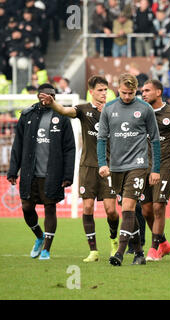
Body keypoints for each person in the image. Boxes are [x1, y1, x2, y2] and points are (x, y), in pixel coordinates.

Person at [39, 76, 120, 262]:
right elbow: (65, 111)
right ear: (91, 91)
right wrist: (53, 104)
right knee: (88, 207)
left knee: (111, 210)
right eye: (100, 90)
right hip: (87, 166)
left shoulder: (114, 110)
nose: (103, 93)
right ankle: (93, 251)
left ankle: (114, 240)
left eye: (105, 89)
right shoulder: (83, 109)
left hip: (108, 167)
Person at [97, 73, 161, 266]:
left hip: (138, 165)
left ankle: (120, 253)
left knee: (128, 207)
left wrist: (155, 168)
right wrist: (102, 163)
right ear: (118, 89)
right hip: (116, 166)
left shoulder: (145, 108)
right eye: (124, 92)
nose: (127, 96)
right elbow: (101, 139)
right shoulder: (108, 108)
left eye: (131, 93)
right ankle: (139, 253)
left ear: (136, 90)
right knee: (128, 211)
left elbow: (155, 140)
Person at [7, 83, 75, 260]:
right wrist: (13, 170)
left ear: (54, 97)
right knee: (26, 207)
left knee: (50, 208)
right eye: (44, 94)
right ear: (38, 95)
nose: (47, 97)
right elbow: (18, 144)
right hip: (30, 172)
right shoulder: (27, 115)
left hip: (52, 172)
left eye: (50, 95)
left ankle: (46, 249)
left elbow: (69, 148)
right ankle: (39, 236)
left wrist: (68, 175)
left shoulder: (61, 117)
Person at [140, 79, 170, 261]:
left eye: (147, 90)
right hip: (142, 165)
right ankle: (163, 243)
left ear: (159, 92)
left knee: (158, 207)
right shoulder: (140, 111)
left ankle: (154, 249)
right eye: (142, 91)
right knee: (146, 210)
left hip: (164, 165)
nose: (143, 93)